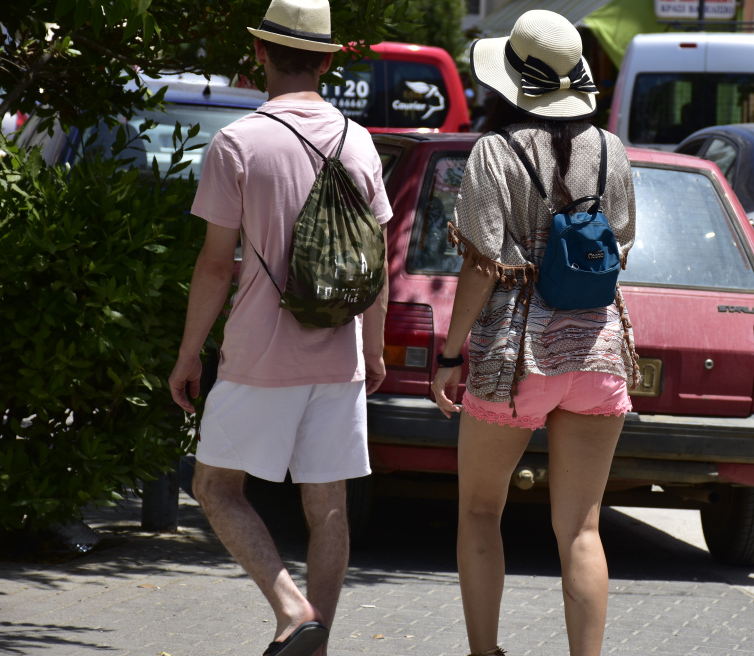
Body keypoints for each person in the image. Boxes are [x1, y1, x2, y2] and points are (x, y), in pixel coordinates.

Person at [166, 1, 391, 654]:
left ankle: (293, 612)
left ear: (261, 53)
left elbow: (216, 266)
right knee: (328, 511)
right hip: (339, 356)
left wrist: (189, 355)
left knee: (214, 486)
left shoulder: (237, 144)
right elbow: (375, 263)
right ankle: (312, 647)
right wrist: (372, 350)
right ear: (325, 61)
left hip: (259, 355)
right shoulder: (359, 141)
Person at [430, 10, 638, 656]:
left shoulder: (494, 152)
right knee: (581, 530)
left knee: (479, 512)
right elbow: (623, 247)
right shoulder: (613, 152)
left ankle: (485, 653)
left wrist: (448, 352)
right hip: (598, 352)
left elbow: (480, 266)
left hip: (514, 360)